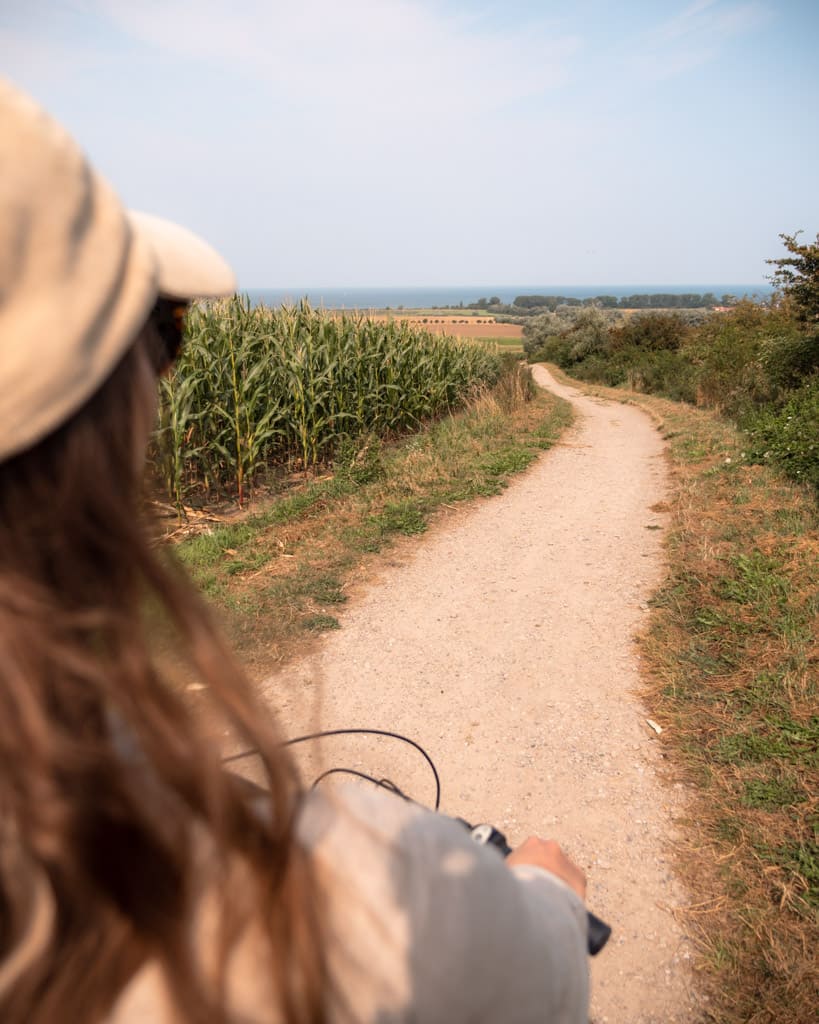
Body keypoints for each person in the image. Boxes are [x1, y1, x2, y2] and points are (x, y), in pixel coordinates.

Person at [0, 78, 590, 1023]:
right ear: (96, 421)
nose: (167, 365)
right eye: (162, 333)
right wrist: (546, 894)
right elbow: (536, 978)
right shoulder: (355, 915)